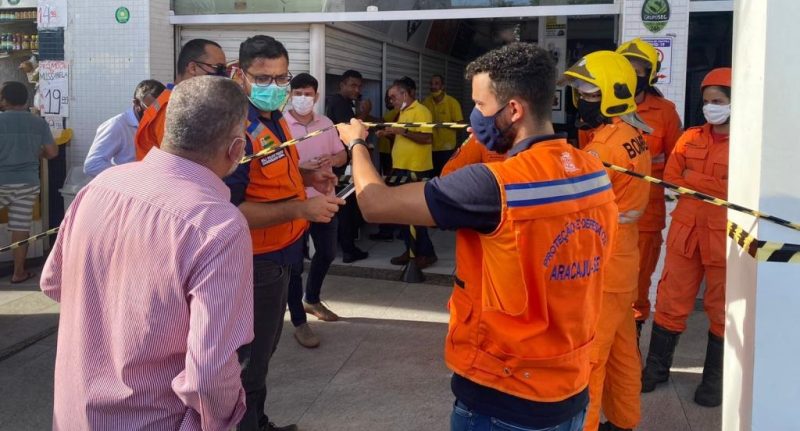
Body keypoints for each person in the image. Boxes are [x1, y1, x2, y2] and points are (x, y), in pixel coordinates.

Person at [338, 42, 619, 431]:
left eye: (482, 106)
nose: (475, 118)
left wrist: (356, 143)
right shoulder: (593, 168)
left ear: (514, 109)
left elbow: (375, 205)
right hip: (571, 387)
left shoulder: (493, 186)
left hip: (503, 392)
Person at [40, 76, 254, 430]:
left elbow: (53, 283)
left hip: (74, 410)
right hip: (154, 418)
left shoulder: (101, 187)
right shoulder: (219, 226)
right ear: (236, 148)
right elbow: (209, 373)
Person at [227, 35, 343, 431]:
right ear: (239, 74)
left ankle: (258, 422)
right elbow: (229, 212)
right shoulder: (235, 131)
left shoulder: (273, 120)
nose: (274, 88)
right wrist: (300, 207)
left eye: (282, 79)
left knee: (265, 352)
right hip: (257, 263)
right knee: (250, 362)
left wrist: (309, 176)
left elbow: (275, 175)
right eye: (263, 78)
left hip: (283, 253)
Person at [562, 50, 652, 431]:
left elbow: (572, 204)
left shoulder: (604, 149)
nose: (581, 100)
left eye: (589, 93)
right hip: (623, 259)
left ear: (613, 94)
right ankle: (625, 420)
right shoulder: (634, 135)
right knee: (621, 351)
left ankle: (588, 425)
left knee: (592, 358)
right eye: (581, 92)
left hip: (603, 261)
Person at [641, 67, 732, 408]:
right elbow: (673, 177)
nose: (711, 106)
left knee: (721, 309)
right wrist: (703, 182)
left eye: (719, 101)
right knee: (670, 301)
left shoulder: (749, 145)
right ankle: (656, 369)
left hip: (723, 240)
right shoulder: (690, 136)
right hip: (685, 235)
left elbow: (738, 189)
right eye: (708, 101)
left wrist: (695, 179)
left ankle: (714, 380)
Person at [615, 38, 683, 335]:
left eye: (639, 68)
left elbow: (677, 163)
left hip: (646, 214)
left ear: (650, 74)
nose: (633, 73)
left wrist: (647, 166)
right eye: (626, 67)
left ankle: (631, 355)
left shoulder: (665, 112)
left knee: (637, 287)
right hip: (607, 211)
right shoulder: (607, 108)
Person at [284, 72, 347, 348]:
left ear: (316, 96)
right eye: (297, 93)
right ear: (290, 95)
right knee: (294, 264)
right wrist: (301, 168)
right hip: (294, 204)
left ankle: (312, 299)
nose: (302, 99)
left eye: (307, 94)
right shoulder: (281, 125)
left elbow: (343, 154)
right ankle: (299, 321)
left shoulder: (326, 123)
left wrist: (333, 158)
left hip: (325, 199)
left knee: (327, 252)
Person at [0, 81, 57, 284]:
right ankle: (18, 272)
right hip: (27, 183)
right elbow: (52, 152)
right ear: (25, 100)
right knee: (20, 227)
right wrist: (35, 153)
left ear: (4, 100)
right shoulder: (38, 123)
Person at [135, 38, 228, 160]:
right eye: (218, 68)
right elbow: (180, 163)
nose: (223, 75)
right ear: (193, 68)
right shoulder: (172, 109)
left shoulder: (184, 102)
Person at [380, 77, 438, 269]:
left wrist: (402, 132)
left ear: (405, 94)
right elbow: (402, 134)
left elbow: (427, 138)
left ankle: (426, 253)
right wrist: (390, 133)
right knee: (402, 214)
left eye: (394, 97)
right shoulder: (402, 112)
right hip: (401, 167)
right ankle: (410, 249)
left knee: (415, 214)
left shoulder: (421, 111)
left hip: (416, 169)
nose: (391, 101)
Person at [326, 69, 369, 263]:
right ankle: (348, 249)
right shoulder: (339, 103)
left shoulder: (344, 103)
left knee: (346, 206)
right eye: (352, 85)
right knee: (346, 206)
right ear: (341, 85)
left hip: (344, 161)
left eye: (359, 86)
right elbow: (350, 133)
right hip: (342, 163)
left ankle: (347, 246)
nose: (356, 89)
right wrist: (363, 115)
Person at [84, 79, 166, 176]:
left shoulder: (162, 122)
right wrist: (128, 177)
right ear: (136, 103)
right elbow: (92, 165)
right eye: (151, 109)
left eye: (162, 108)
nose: (157, 114)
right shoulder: (117, 125)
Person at [423, 74, 464, 176]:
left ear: (443, 86)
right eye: (431, 84)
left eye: (436, 84)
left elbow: (461, 125)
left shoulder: (452, 102)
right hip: (429, 147)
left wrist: (444, 125)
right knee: (431, 178)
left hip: (447, 149)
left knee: (445, 177)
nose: (433, 86)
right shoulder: (426, 102)